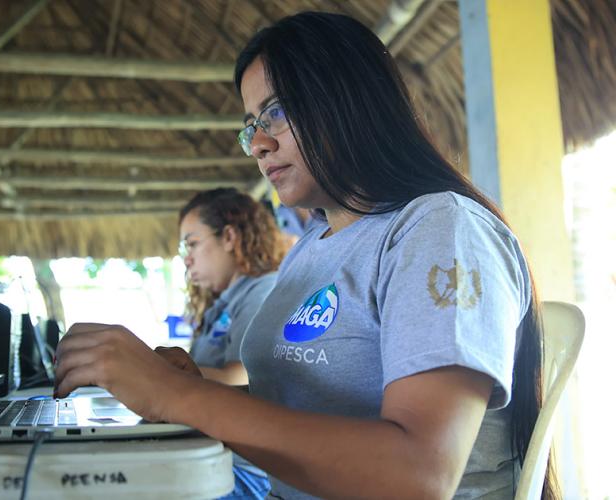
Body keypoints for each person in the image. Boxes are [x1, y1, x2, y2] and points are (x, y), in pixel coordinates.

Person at [54, 11, 556, 499]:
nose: (260, 144)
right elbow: (318, 408)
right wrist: (191, 393)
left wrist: (181, 397)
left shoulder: (437, 228)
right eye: (251, 124)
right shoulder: (315, 244)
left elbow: (419, 475)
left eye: (277, 111)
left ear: (351, 100)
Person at [176, 187, 284, 498]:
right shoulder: (224, 303)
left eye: (193, 244)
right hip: (219, 457)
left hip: (242, 470)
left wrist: (153, 375)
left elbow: (242, 376)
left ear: (229, 238)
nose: (187, 260)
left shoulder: (261, 291)